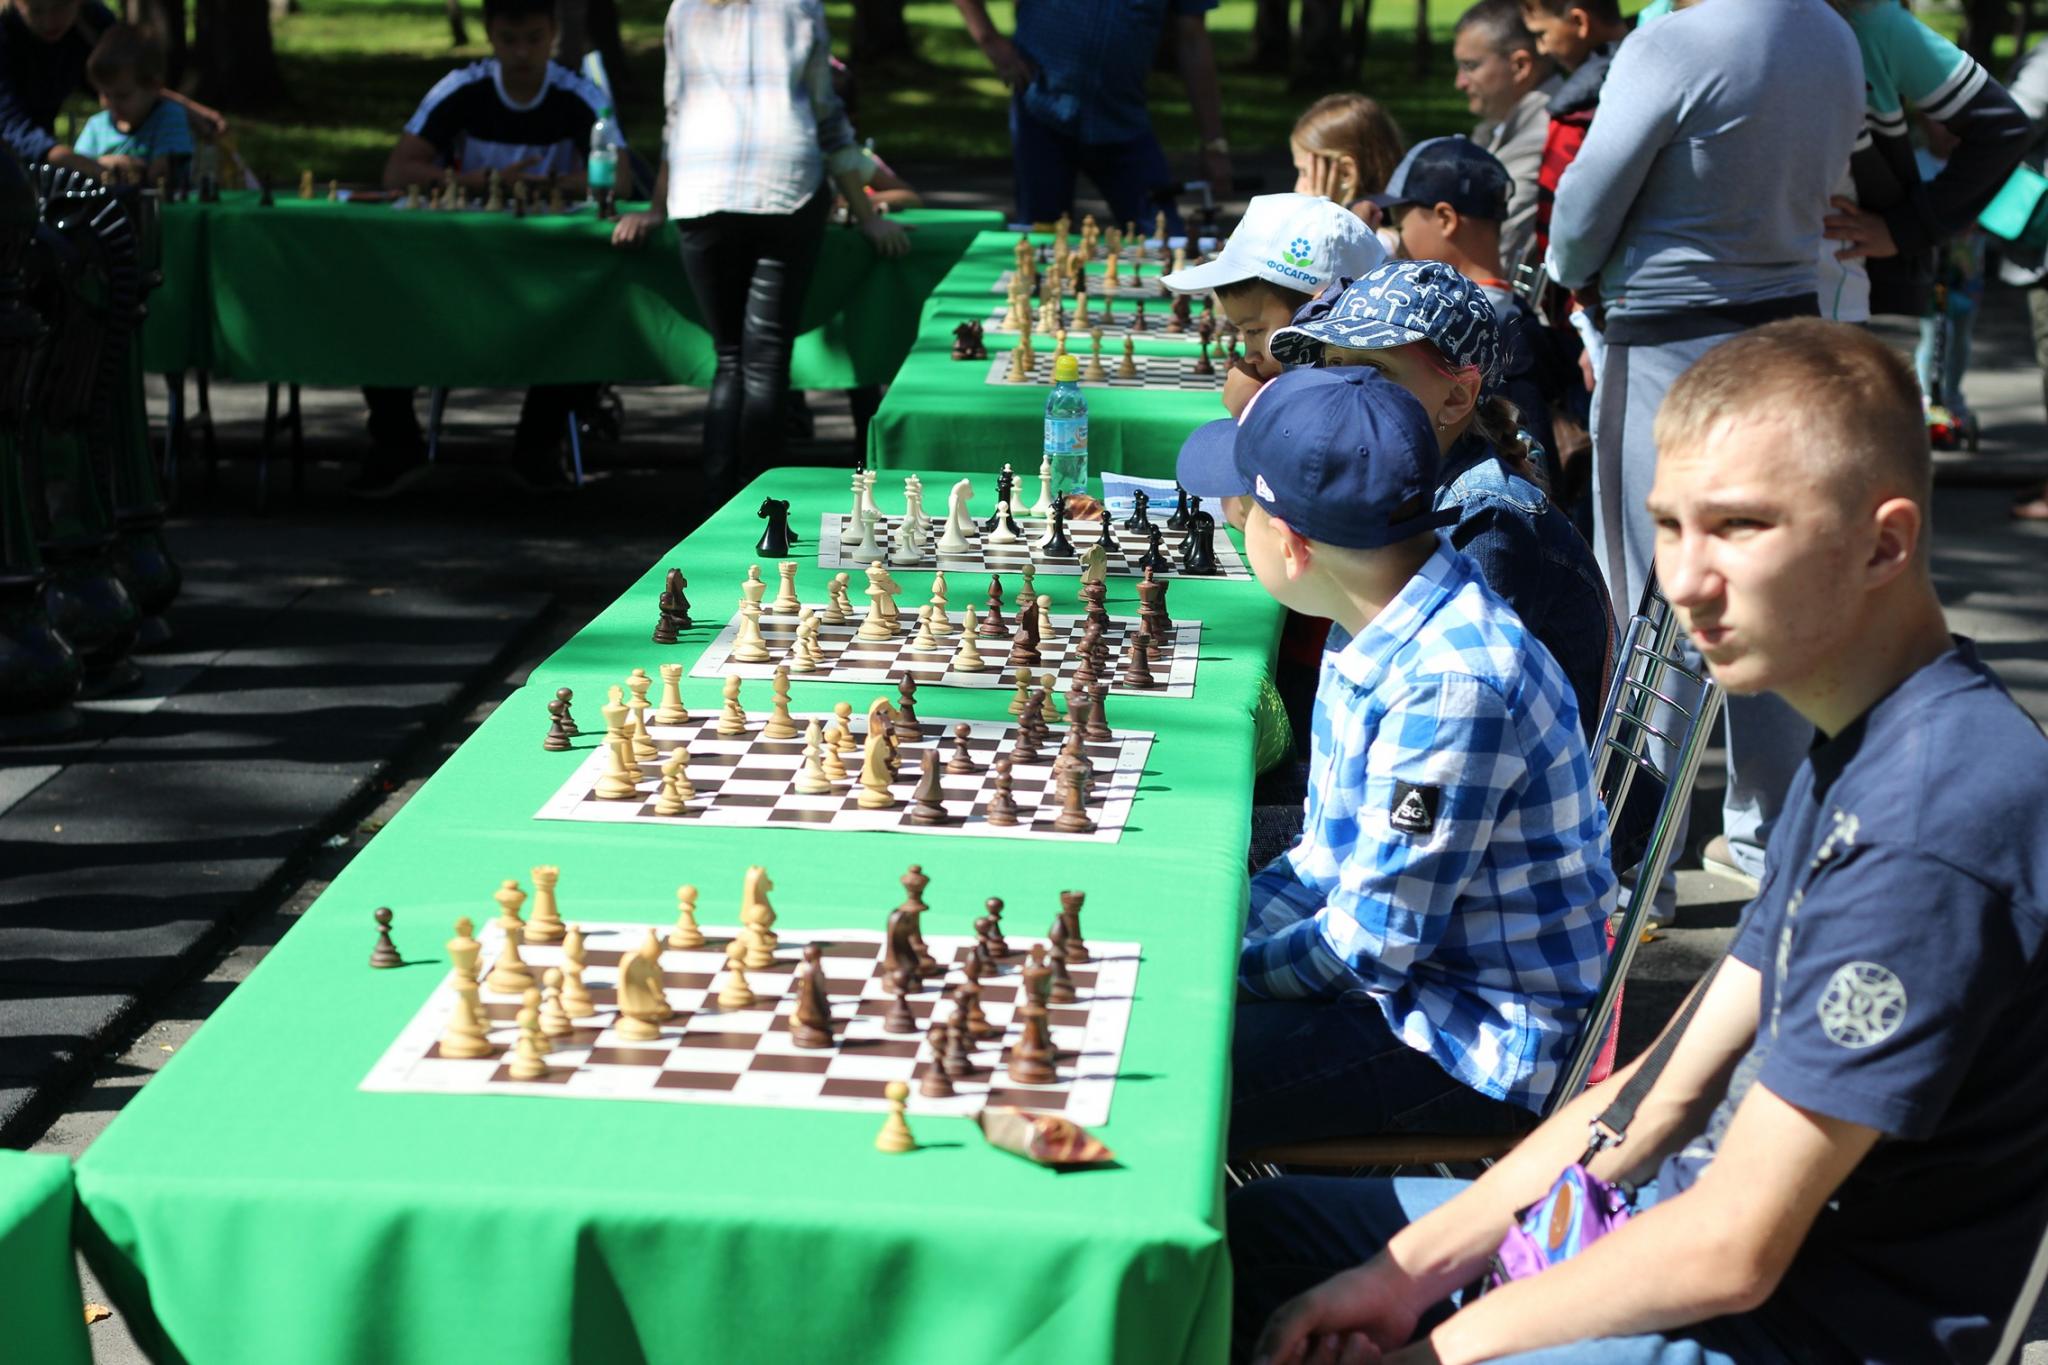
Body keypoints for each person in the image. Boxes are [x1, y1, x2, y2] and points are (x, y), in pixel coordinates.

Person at [1231, 317, 2048, 1365]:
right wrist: (1402, 1278)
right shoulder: (1868, 738)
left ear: (1883, 543)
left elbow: (1731, 1250)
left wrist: (1434, 1344)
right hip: (1662, 1233)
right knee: (1264, 1240)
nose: (1684, 580)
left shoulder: (1928, 823)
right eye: (1667, 525)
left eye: (1740, 527)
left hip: (1780, 1333)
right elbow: (1658, 1081)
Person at [1182, 366, 1614, 1156]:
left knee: (1170, 1088)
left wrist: (1216, 975)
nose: (1225, 515)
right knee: (1164, 1020)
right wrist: (1213, 938)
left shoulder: (1448, 689)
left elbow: (1368, 946)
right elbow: (1321, 859)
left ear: (1293, 543)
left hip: (1469, 1043)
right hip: (1408, 987)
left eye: (1238, 506)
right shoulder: (1378, 609)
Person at [1548, 0, 1862, 888]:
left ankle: (1644, 850)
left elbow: (1579, 216)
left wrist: (1574, 278)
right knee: (1770, 582)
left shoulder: (1673, 42)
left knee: (1652, 606)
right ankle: (1766, 838)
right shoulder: (1832, 35)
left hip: (1668, 346)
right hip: (1786, 336)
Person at [1269, 260, 1612, 748]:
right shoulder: (1406, 484)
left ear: (1457, 397)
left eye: (1376, 371)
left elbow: (1450, 714)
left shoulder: (1487, 518)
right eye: (1336, 367)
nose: (1343, 395)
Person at [612, 0, 906, 497]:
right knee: (767, 360)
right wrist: (866, 216)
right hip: (785, 186)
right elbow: (828, 119)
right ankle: (758, 505)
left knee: (729, 358)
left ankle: (715, 501)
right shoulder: (800, 7)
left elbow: (675, 117)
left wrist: (658, 207)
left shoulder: (683, 9)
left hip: (701, 190)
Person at [354, 0, 615, 496]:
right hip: (455, 269)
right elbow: (399, 171)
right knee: (377, 302)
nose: (522, 53)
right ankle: (396, 444)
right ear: (490, 36)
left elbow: (617, 175)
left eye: (535, 38)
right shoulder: (460, 90)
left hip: (545, 273)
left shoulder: (578, 95)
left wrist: (544, 185)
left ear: (554, 34)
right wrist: (478, 181)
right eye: (509, 39)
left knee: (593, 314)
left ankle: (539, 444)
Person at [1367, 136, 1576, 480]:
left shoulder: (1469, 333)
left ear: (1446, 218)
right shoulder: (1517, 314)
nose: (1398, 240)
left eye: (1401, 225)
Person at [1818, 0, 2028, 326]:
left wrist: (1907, 227)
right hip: (1715, 298)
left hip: (1823, 301)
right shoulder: (1714, 18)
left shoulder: (1868, 21)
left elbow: (2003, 126)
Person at [951, 0, 1229, 236]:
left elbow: (1192, 37)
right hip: (1042, 111)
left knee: (1164, 236)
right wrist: (989, 40)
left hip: (1125, 120)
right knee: (1041, 245)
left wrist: (1214, 143)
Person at [1161, 190, 1385, 407]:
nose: (1249, 357)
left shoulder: (1357, 404)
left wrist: (1250, 411)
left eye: (1254, 331)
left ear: (1318, 313)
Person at [0, 0, 220, 175]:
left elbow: (127, 77)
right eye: (36, 11)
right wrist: (93, 167)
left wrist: (186, 109)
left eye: (61, 5)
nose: (49, 21)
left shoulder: (91, 21)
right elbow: (10, 125)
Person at [1516, 0, 1626, 266]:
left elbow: (1556, 209)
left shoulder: (1575, 112)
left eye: (1543, 34)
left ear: (1579, 22)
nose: (1541, 48)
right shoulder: (1657, 65)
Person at [1453, 0, 1556, 277]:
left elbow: (1492, 249)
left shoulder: (1543, 131)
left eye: (1470, 66)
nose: (1459, 82)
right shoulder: (1497, 128)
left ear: (1520, 65)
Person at [73, 22, 189, 181]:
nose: (111, 104)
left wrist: (100, 166)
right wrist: (108, 164)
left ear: (153, 87)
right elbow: (76, 169)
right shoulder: (96, 126)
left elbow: (162, 172)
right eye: (105, 94)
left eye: (122, 96)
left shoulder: (169, 117)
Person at [1291, 93, 1407, 240]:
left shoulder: (1378, 242)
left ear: (1346, 173)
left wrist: (1320, 219)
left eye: (1304, 172)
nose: (1297, 187)